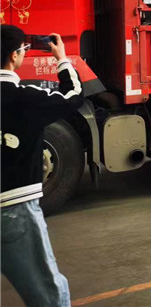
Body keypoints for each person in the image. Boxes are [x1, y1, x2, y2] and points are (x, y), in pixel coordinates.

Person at [1, 26, 84, 307]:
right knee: (49, 296)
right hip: (14, 208)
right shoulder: (26, 98)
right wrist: (62, 58)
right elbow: (74, 94)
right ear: (14, 56)